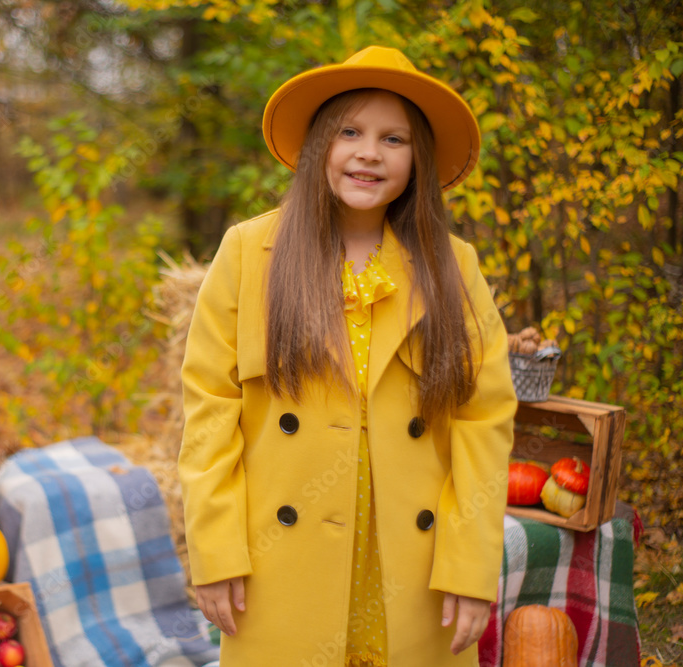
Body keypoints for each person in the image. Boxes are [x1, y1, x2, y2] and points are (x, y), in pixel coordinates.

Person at [178, 46, 517, 666]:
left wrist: (470, 566)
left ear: (418, 161)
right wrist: (215, 550)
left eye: (395, 139)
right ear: (317, 147)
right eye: (350, 132)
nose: (369, 152)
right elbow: (209, 408)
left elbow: (484, 419)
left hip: (412, 574)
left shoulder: (452, 266)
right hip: (279, 571)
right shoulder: (250, 253)